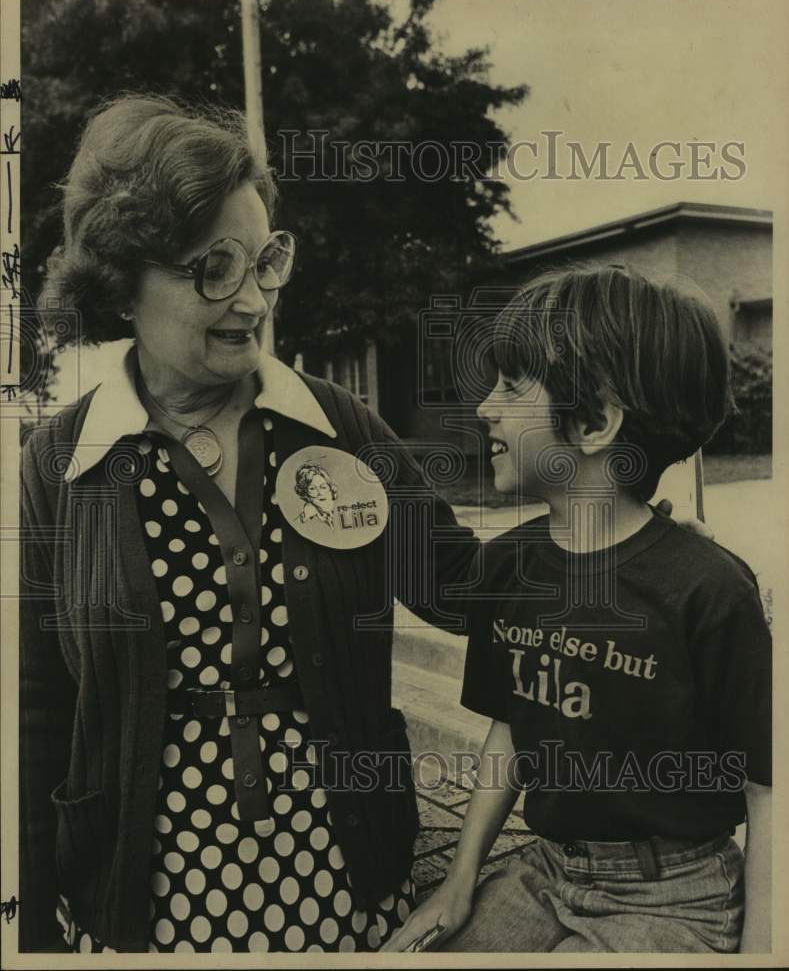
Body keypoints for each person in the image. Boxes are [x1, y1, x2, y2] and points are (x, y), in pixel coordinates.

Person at [19, 93, 480, 954]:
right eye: (212, 269)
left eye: (265, 260)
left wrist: (628, 549)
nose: (253, 298)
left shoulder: (339, 425)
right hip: (139, 885)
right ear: (120, 289)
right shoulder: (61, 461)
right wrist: (33, 914)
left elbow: (464, 589)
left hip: (338, 871)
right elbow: (40, 705)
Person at [384, 265, 772, 954]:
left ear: (592, 422)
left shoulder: (708, 590)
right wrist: (459, 880)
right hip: (548, 868)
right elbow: (511, 727)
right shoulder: (510, 563)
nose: (483, 409)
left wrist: (764, 951)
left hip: (674, 895)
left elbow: (767, 789)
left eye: (510, 385)